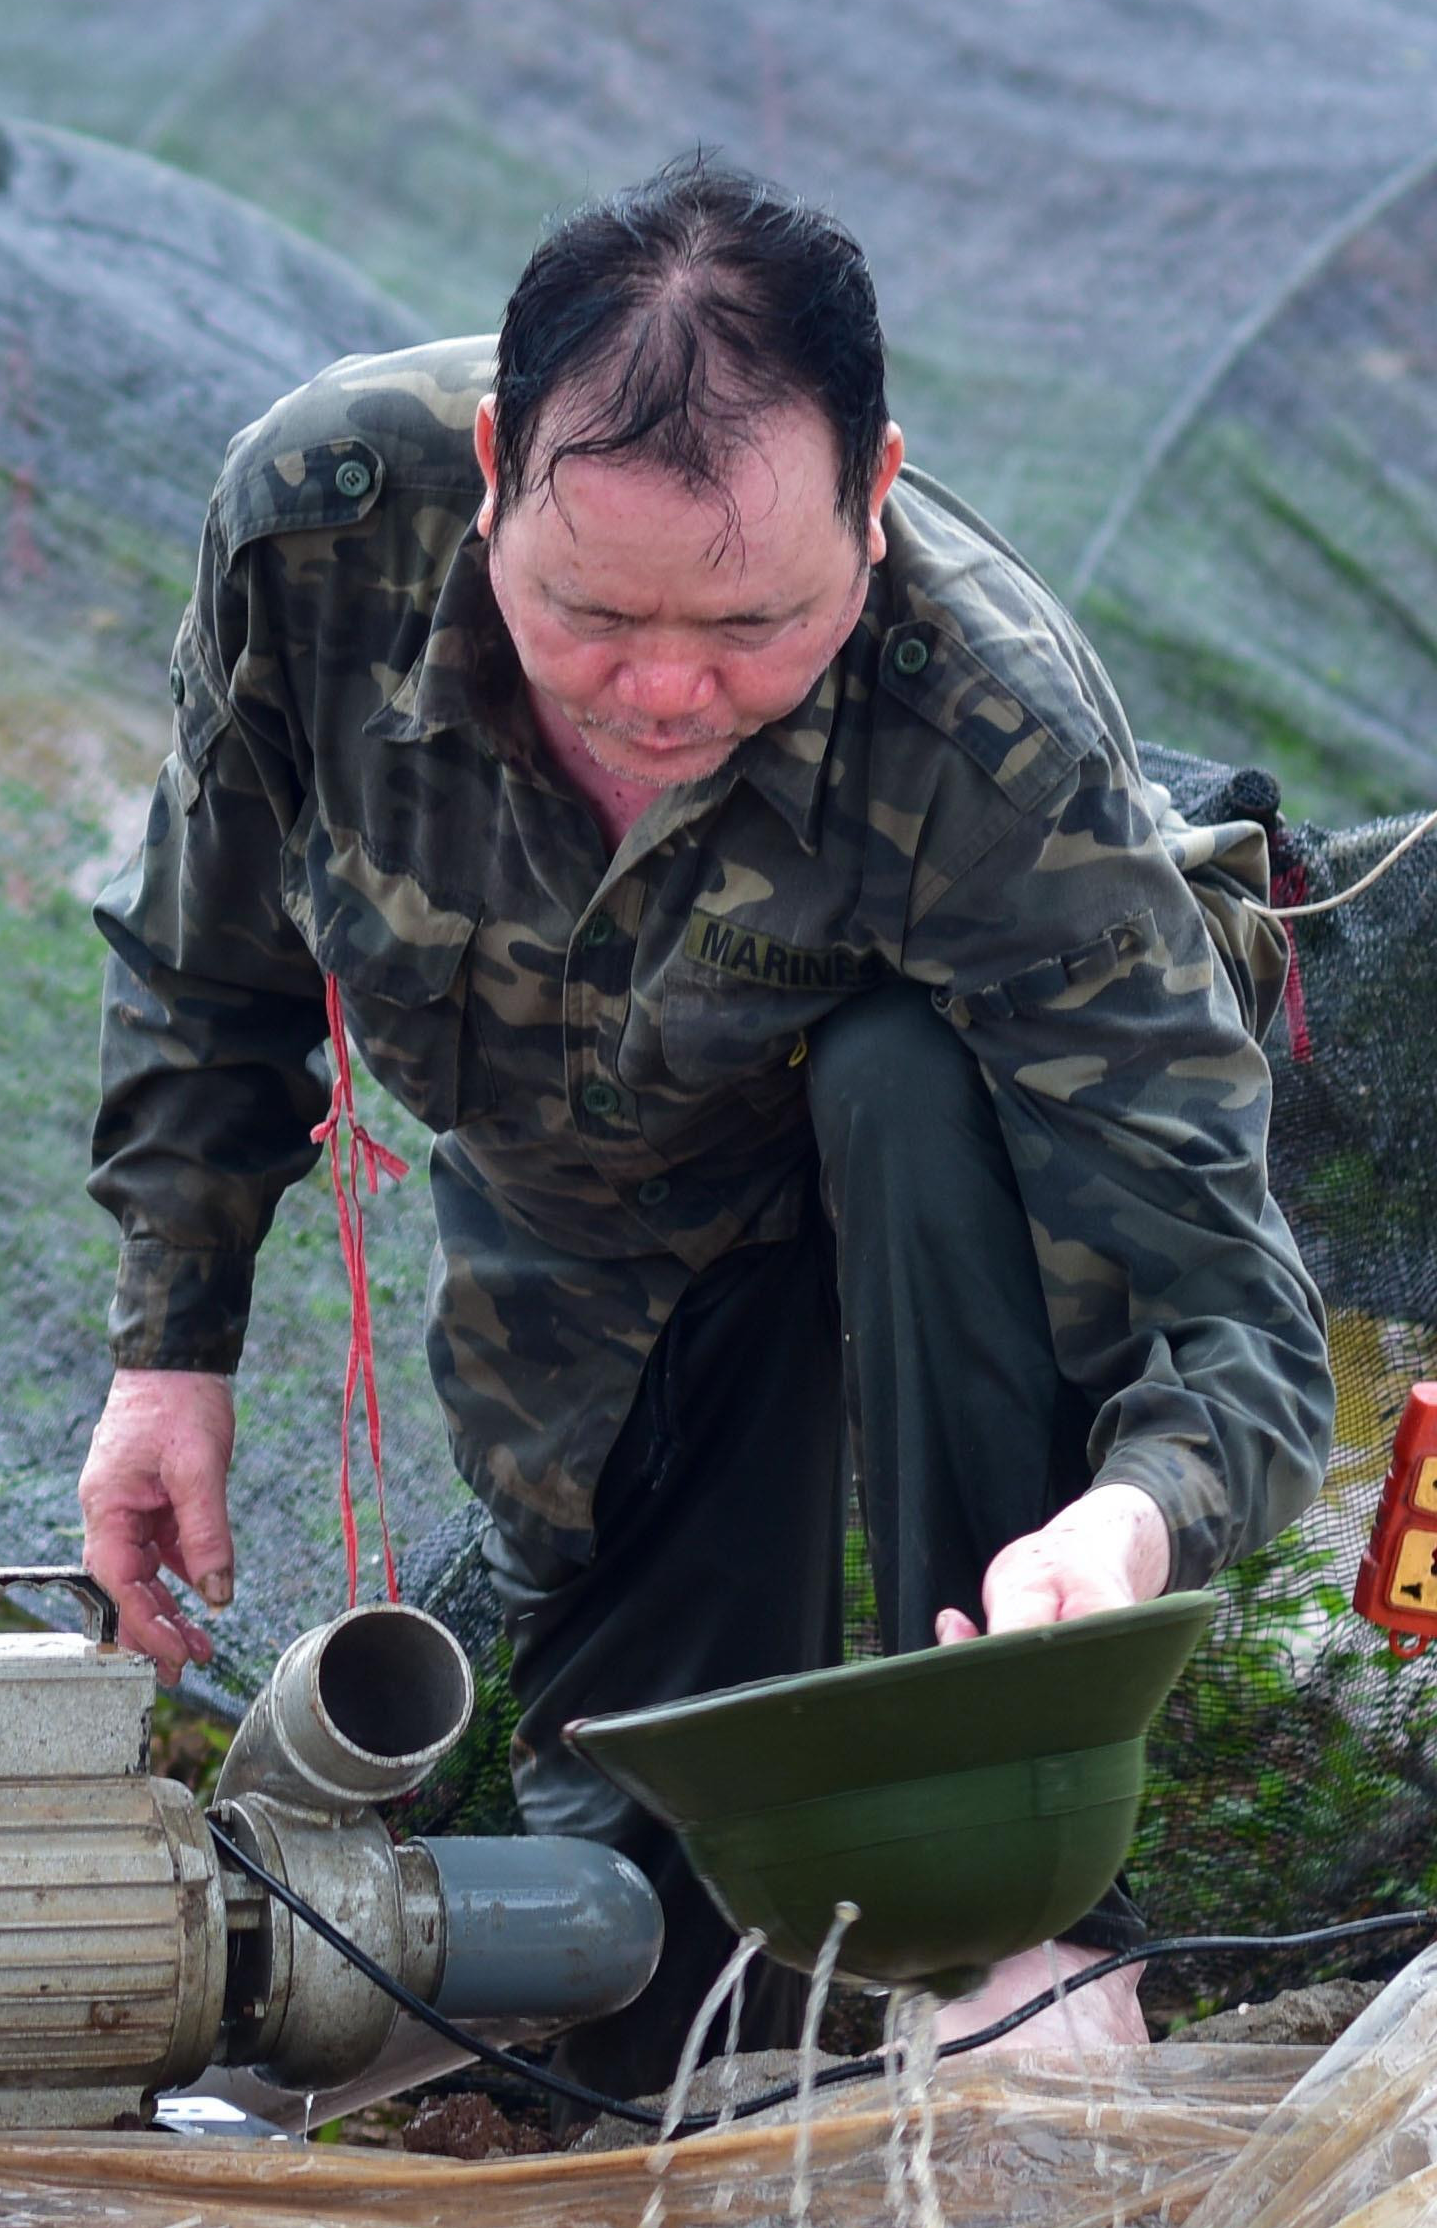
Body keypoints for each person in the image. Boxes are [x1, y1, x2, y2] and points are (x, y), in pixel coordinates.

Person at [72, 157, 1328, 2067]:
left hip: (948, 1188)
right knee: (637, 1964)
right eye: (588, 616)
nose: (663, 695)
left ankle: (1017, 1898)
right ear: (493, 470)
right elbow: (207, 942)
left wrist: (1128, 1533)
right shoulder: (319, 529)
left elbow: (1230, 1319)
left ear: (874, 499)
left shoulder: (992, 737)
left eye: (751, 628)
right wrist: (171, 1353)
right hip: (591, 1217)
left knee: (908, 1087)